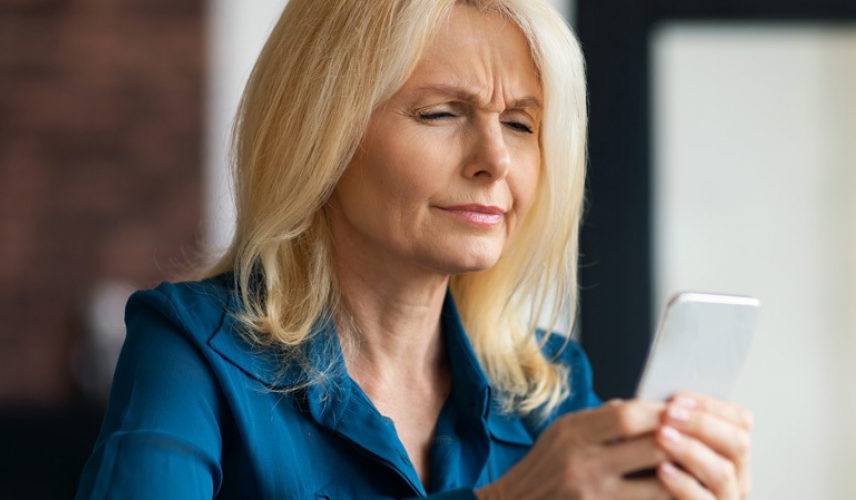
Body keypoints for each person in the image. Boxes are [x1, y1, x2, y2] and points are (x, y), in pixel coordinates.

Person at [74, 0, 754, 498]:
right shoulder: (192, 348)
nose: (495, 160)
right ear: (323, 134)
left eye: (521, 124)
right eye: (441, 113)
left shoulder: (549, 389)